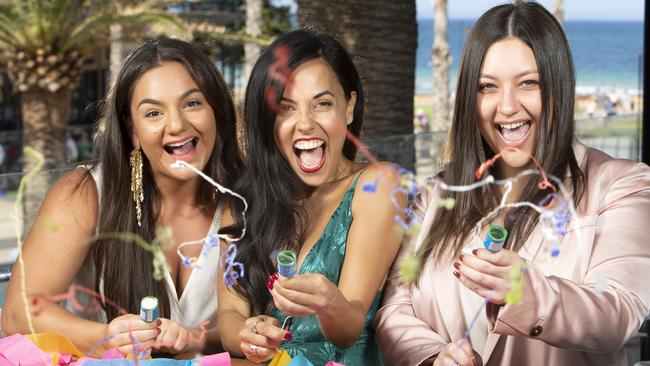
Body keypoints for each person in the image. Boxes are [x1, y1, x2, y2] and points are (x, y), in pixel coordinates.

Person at [374, 2, 650, 365]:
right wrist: (432, 356)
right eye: (487, 87)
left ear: (559, 87)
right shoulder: (436, 194)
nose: (506, 106)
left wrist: (527, 292)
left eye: (528, 83)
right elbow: (395, 307)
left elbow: (619, 313)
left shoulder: (622, 185)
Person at [1, 37, 243, 357]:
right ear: (133, 132)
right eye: (154, 113)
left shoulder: (245, 201)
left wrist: (196, 340)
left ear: (216, 112)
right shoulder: (86, 192)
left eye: (192, 103)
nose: (177, 124)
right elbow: (18, 314)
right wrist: (107, 336)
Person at [217, 28, 405, 365]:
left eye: (322, 104)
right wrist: (250, 332)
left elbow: (350, 327)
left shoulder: (378, 184)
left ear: (349, 108)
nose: (304, 123)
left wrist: (330, 303)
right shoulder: (244, 202)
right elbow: (230, 313)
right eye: (286, 108)